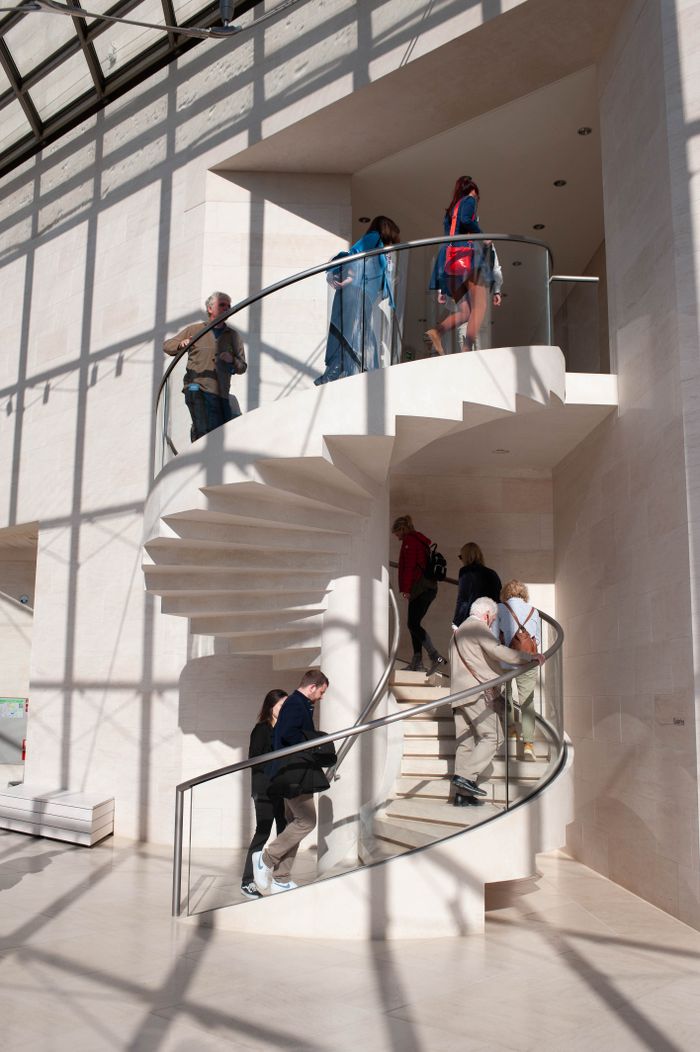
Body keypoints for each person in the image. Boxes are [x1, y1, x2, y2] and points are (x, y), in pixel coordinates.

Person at [449, 597, 544, 806]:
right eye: (492, 619)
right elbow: (498, 651)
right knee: (494, 737)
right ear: (486, 614)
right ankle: (465, 777)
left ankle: (461, 796)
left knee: (465, 743)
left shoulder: (458, 633)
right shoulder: (477, 627)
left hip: (457, 695)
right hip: (476, 694)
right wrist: (529, 657)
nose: (492, 623)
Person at [252, 669, 330, 894]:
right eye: (322, 692)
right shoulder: (296, 703)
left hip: (292, 773)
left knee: (294, 824)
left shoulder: (299, 704)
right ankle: (265, 859)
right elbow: (288, 734)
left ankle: (282, 878)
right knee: (307, 821)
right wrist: (315, 742)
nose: (322, 697)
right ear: (312, 686)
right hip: (294, 774)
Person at [314, 216, 401, 385]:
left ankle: (333, 374)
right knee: (358, 335)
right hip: (356, 292)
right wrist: (351, 277)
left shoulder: (381, 250)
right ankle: (338, 373)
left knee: (354, 335)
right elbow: (354, 253)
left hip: (362, 295)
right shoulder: (374, 237)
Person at [163, 291, 247, 442]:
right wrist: (181, 344)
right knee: (204, 428)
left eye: (229, 305)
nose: (227, 308)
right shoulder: (195, 330)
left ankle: (199, 441)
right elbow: (168, 345)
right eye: (222, 304)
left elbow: (242, 367)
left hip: (220, 392)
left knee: (220, 435)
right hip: (195, 387)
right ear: (210, 309)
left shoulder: (233, 336)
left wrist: (232, 360)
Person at [424, 176, 491, 356]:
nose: (476, 200)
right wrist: (482, 236)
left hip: (449, 263)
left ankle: (437, 332)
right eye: (477, 197)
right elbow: (466, 220)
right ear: (473, 191)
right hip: (466, 258)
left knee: (465, 311)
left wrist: (441, 290)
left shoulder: (450, 211)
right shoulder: (469, 200)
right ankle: (467, 349)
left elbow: (452, 233)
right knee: (480, 305)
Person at [240, 689, 289, 900]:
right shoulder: (261, 729)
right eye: (281, 706)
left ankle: (280, 877)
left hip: (282, 788)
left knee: (285, 831)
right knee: (263, 831)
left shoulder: (286, 729)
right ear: (271, 706)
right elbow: (255, 759)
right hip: (264, 789)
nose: (284, 710)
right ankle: (247, 882)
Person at [392, 514, 447, 676]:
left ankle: (435, 657)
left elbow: (408, 567)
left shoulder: (410, 541)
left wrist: (406, 589)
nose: (397, 538)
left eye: (396, 533)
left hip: (420, 588)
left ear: (402, 529)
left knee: (413, 624)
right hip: (428, 588)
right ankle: (417, 662)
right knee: (413, 624)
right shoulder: (420, 540)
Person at [498, 581, 543, 761]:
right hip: (528, 662)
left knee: (505, 695)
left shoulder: (500, 608)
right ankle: (529, 745)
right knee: (527, 701)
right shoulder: (534, 611)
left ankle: (510, 732)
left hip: (505, 660)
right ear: (523, 593)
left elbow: (494, 636)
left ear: (506, 593)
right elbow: (537, 640)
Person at [453, 542, 502, 629]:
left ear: (466, 556)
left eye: (461, 557)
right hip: (492, 620)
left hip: (474, 618)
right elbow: (498, 598)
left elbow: (463, 599)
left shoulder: (466, 571)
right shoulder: (492, 573)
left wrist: (456, 623)